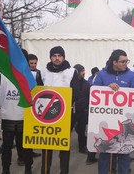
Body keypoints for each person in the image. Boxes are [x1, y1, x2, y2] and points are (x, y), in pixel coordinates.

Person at [93, 49, 134, 174]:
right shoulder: (102, 75)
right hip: (106, 120)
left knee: (124, 153)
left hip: (125, 122)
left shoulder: (130, 75)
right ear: (114, 62)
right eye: (123, 61)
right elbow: (93, 91)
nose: (126, 63)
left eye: (127, 61)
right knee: (104, 153)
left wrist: (125, 91)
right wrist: (106, 88)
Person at [37, 46, 79, 174]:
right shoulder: (42, 71)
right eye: (54, 55)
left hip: (64, 114)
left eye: (59, 56)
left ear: (64, 57)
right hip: (46, 115)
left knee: (63, 146)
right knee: (46, 145)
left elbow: (75, 92)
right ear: (50, 57)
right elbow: (37, 91)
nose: (57, 58)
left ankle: (64, 171)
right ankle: (45, 171)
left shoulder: (72, 72)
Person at [0, 49, 35, 174]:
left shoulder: (32, 75)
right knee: (7, 147)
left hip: (25, 117)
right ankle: (6, 169)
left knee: (26, 146)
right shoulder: (3, 74)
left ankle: (28, 168)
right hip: (9, 117)